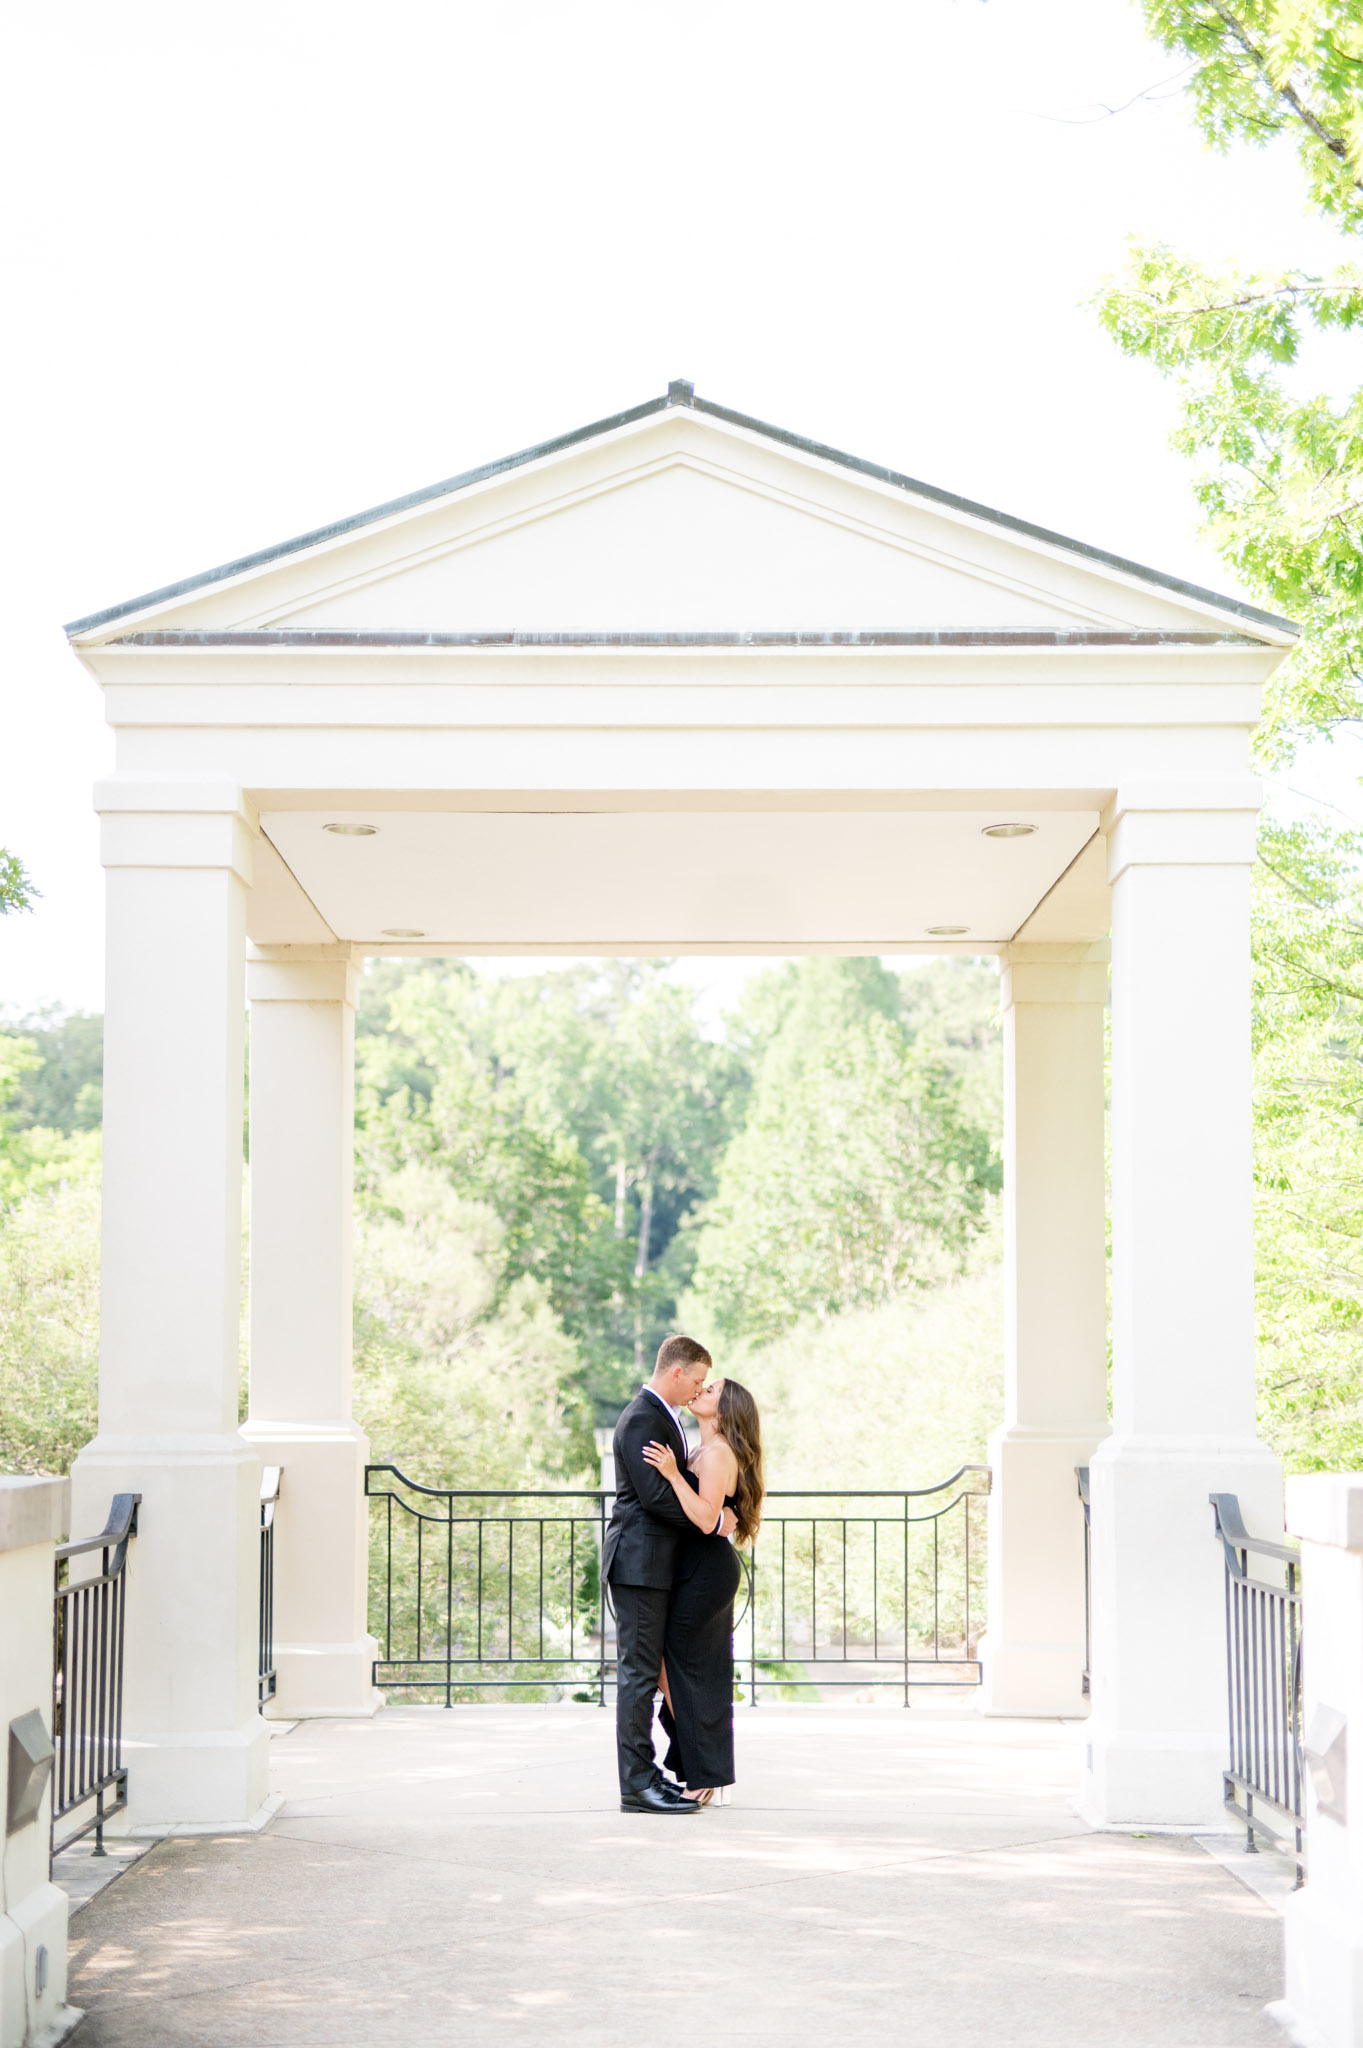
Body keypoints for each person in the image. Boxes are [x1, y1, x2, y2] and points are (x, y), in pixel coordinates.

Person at [602, 1335, 736, 1815]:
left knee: (649, 1673)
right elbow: (656, 1499)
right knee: (639, 1676)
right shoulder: (644, 1418)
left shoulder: (664, 1418)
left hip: (656, 1566)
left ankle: (653, 1773)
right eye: (697, 1380)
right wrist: (713, 1519)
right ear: (677, 1372)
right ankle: (637, 1785)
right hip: (639, 1565)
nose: (698, 1389)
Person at [641, 1375, 764, 1804]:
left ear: (725, 1409)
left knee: (679, 1671)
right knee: (673, 1669)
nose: (700, 1391)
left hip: (706, 1571)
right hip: (696, 1567)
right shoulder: (704, 1450)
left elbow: (704, 1516)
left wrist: (674, 1476)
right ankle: (702, 1767)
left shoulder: (717, 1455)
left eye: (711, 1390)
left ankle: (704, 1775)